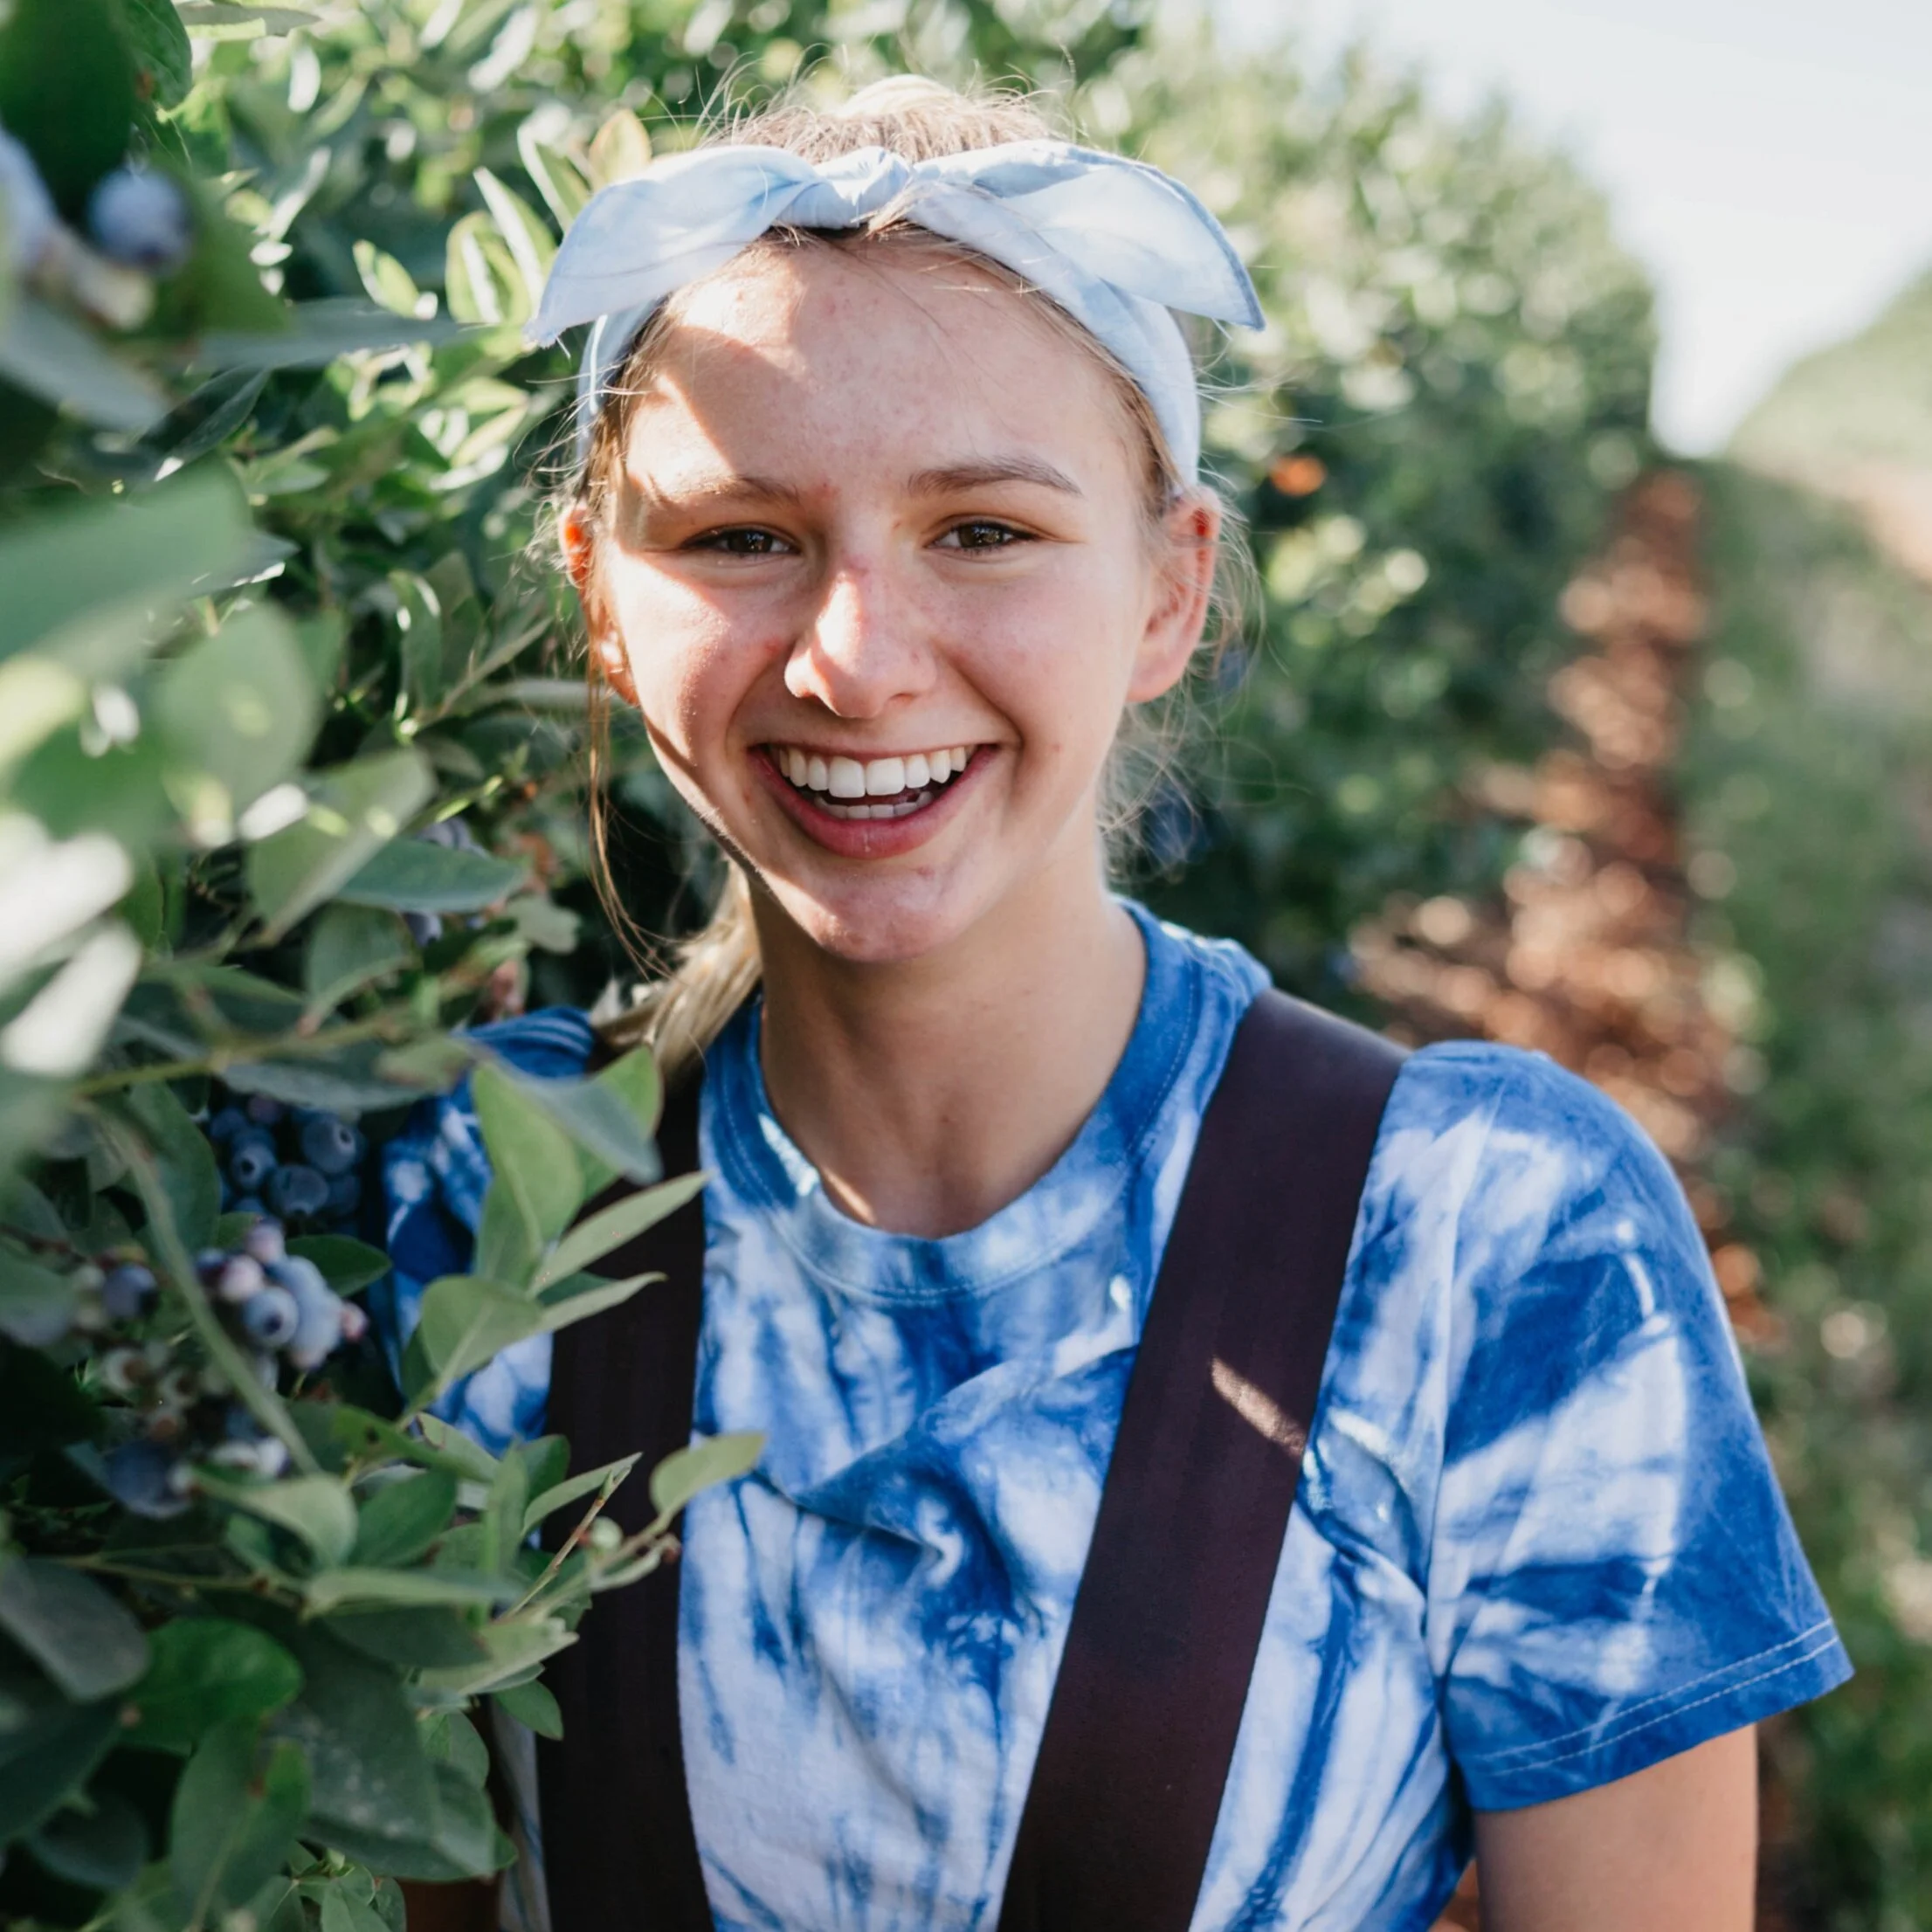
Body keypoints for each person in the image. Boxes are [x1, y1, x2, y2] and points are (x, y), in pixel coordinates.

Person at [380, 75, 1850, 1932]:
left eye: (980, 529)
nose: (851, 658)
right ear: (601, 595)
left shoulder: (1484, 1247)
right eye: (740, 534)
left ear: (1168, 588)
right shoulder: (473, 1199)